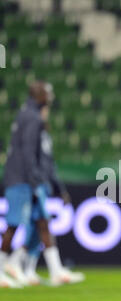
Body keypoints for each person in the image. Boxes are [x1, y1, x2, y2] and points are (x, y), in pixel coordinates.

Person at [0, 81, 84, 287]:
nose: (50, 96)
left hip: (25, 177)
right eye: (47, 93)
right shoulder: (33, 117)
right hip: (22, 179)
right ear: (38, 94)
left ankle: (54, 271)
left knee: (43, 222)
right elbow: (29, 152)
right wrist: (34, 182)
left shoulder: (25, 114)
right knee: (13, 224)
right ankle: (4, 265)